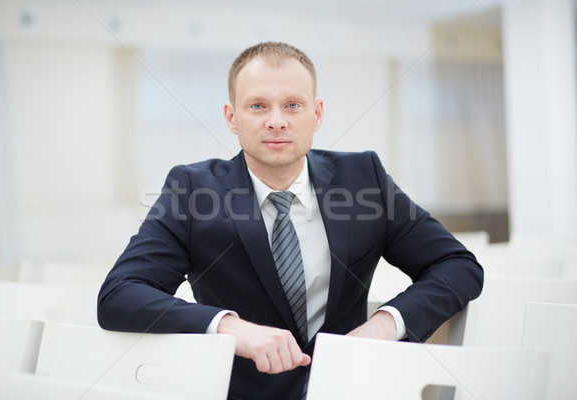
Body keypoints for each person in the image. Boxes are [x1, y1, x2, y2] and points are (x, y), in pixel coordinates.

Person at [98, 41, 483, 400]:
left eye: (293, 105)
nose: (277, 121)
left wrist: (384, 326)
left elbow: (457, 265)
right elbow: (120, 294)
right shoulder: (191, 189)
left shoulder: (363, 177)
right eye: (258, 106)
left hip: (352, 389)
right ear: (232, 117)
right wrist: (233, 329)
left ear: (316, 114)